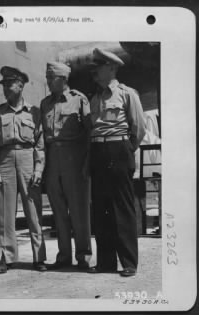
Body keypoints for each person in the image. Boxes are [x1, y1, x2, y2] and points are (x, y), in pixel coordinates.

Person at [87, 48, 146, 277]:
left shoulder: (126, 93)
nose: (95, 70)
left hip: (118, 149)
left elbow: (139, 127)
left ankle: (129, 263)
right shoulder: (94, 97)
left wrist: (127, 150)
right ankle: (106, 262)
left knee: (122, 207)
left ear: (111, 68)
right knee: (101, 208)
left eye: (99, 66)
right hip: (98, 150)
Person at [0, 66, 47, 274]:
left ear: (21, 86)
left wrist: (39, 170)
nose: (5, 89)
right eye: (3, 85)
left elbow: (40, 144)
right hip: (5, 161)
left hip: (27, 160)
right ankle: (7, 257)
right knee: (5, 213)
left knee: (33, 211)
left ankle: (39, 258)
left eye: (9, 84)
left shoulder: (35, 113)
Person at [40, 62, 92, 270]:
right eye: (47, 77)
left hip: (74, 158)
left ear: (63, 79)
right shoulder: (45, 104)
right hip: (53, 159)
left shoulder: (79, 100)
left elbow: (89, 133)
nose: (48, 82)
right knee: (59, 210)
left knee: (79, 211)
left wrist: (87, 162)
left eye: (51, 78)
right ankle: (63, 257)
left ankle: (83, 256)